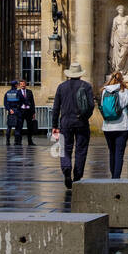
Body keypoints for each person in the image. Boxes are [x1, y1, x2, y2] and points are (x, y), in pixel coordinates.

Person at [51, 62, 94, 190]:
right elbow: (91, 106)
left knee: (65, 148)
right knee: (81, 149)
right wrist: (85, 117)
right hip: (81, 122)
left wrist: (54, 125)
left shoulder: (61, 87)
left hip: (65, 122)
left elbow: (56, 107)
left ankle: (66, 169)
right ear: (80, 74)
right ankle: (77, 175)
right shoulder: (86, 86)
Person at [99, 71, 128, 178]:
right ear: (122, 79)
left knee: (112, 152)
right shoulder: (125, 91)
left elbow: (102, 106)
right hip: (122, 126)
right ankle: (116, 177)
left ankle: (112, 174)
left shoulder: (104, 91)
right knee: (119, 153)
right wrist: (126, 114)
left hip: (108, 126)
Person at [16, 79, 37, 145]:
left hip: (28, 111)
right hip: (21, 111)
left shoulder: (29, 92)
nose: (23, 85)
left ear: (26, 84)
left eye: (24, 84)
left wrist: (33, 112)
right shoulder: (17, 92)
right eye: (21, 84)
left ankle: (30, 141)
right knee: (20, 127)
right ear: (19, 85)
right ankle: (19, 141)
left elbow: (32, 102)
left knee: (30, 127)